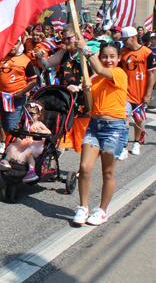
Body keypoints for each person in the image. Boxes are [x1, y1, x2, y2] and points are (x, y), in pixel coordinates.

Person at [72, 41, 128, 227]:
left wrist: (85, 50)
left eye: (112, 56)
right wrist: (84, 90)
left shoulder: (118, 73)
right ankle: (83, 207)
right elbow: (91, 107)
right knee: (85, 168)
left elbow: (101, 69)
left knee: (108, 172)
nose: (108, 60)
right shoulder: (93, 79)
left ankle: (102, 211)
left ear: (119, 59)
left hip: (115, 129)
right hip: (94, 126)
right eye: (104, 56)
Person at [37, 24, 93, 154]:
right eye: (64, 39)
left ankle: (83, 171)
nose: (66, 42)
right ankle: (51, 167)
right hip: (66, 102)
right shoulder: (63, 53)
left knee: (82, 142)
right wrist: (40, 58)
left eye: (69, 38)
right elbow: (46, 64)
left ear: (78, 37)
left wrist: (80, 87)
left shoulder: (88, 52)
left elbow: (97, 75)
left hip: (83, 104)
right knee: (60, 138)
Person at [0, 39, 37, 154]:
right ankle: (14, 149)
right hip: (2, 98)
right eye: (10, 43)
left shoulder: (25, 60)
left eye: (15, 43)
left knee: (12, 127)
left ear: (20, 44)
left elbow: (33, 81)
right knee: (5, 126)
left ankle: (9, 154)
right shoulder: (0, 59)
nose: (12, 46)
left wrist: (21, 92)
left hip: (17, 98)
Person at [0, 100, 52, 183]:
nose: (29, 116)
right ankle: (5, 161)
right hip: (25, 142)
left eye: (32, 114)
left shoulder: (39, 124)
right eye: (27, 113)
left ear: (39, 115)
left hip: (34, 143)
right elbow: (24, 134)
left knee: (29, 154)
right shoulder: (26, 123)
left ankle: (31, 171)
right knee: (12, 148)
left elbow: (49, 132)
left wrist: (40, 131)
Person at [119, 26, 155, 156]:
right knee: (124, 118)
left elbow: (151, 75)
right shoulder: (122, 52)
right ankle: (123, 146)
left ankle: (137, 142)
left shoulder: (147, 53)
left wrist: (148, 94)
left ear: (133, 38)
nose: (123, 42)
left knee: (139, 119)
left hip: (140, 94)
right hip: (125, 93)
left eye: (125, 39)